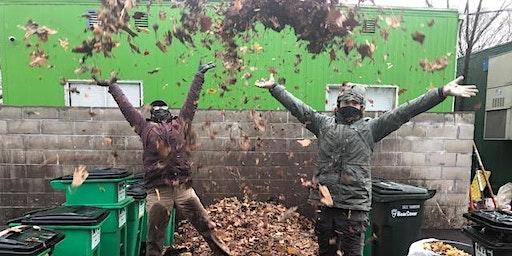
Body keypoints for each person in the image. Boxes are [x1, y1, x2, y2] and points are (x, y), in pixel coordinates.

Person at [255, 75, 477, 256]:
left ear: (361, 107)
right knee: (326, 253)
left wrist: (440, 93)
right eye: (345, 102)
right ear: (338, 105)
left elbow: (406, 111)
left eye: (354, 103)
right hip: (326, 206)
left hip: (355, 210)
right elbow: (299, 109)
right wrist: (275, 88)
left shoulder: (370, 129)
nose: (349, 106)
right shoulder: (323, 125)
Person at [97, 62, 231, 256]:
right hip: (158, 191)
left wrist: (199, 76)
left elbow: (191, 101)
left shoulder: (181, 123)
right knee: (155, 237)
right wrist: (113, 86)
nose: (160, 109)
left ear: (169, 110)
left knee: (206, 225)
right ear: (151, 112)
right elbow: (126, 108)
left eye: (163, 106)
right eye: (156, 107)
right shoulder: (144, 127)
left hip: (184, 188)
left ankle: (222, 254)